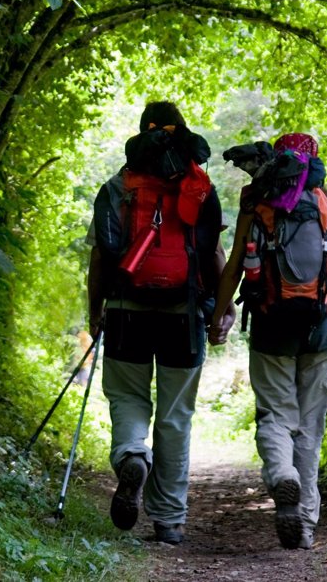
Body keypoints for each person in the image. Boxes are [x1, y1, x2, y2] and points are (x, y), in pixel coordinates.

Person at [87, 101, 235, 545]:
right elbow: (213, 254)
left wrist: (95, 312)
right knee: (175, 417)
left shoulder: (118, 186)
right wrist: (223, 308)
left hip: (126, 310)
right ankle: (168, 520)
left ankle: (134, 456)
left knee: (128, 397)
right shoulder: (200, 187)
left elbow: (100, 256)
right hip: (184, 316)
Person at [208, 133, 327, 550]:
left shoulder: (258, 201)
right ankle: (306, 521)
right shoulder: (325, 203)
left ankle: (282, 477)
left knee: (275, 415)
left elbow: (236, 263)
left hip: (272, 324)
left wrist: (219, 313)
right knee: (310, 426)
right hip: (321, 326)